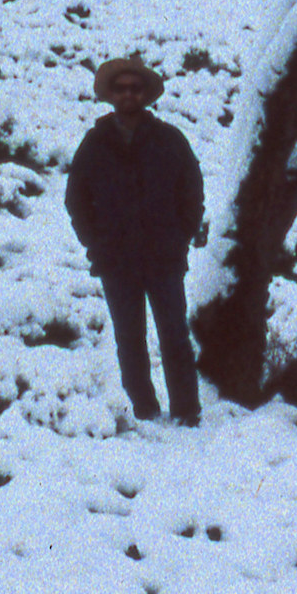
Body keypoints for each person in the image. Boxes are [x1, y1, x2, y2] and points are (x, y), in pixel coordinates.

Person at [65, 57, 205, 425]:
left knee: (174, 335)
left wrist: (180, 237)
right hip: (116, 261)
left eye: (135, 88)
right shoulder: (95, 142)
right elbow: (76, 199)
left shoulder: (170, 139)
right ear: (111, 95)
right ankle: (144, 409)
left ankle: (187, 411)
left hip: (165, 258)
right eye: (121, 88)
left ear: (145, 94)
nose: (128, 94)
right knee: (130, 341)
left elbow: (193, 192)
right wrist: (96, 243)